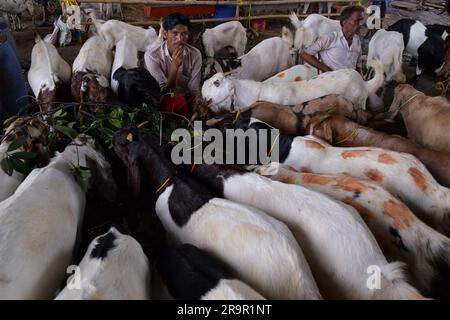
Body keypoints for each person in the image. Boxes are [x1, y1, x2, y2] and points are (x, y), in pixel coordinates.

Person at [144, 12, 202, 117]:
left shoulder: (195, 54)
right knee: (176, 102)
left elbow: (194, 91)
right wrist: (174, 68)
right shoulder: (152, 56)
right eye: (175, 33)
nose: (180, 39)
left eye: (184, 34)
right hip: (164, 103)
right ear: (165, 34)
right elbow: (162, 93)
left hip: (188, 101)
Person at [301, 5, 365, 73]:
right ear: (345, 22)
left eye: (361, 21)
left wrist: (361, 80)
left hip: (351, 81)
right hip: (331, 81)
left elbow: (357, 66)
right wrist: (327, 70)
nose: (360, 24)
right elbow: (306, 54)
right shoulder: (330, 38)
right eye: (357, 20)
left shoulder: (357, 41)